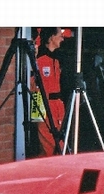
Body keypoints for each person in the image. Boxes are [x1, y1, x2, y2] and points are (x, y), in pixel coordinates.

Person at [34, 27, 68, 157]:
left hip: (58, 106)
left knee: (59, 143)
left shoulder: (58, 60)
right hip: (44, 105)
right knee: (49, 146)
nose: (62, 38)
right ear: (51, 37)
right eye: (60, 35)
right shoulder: (39, 59)